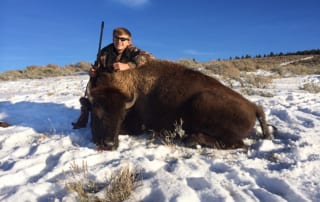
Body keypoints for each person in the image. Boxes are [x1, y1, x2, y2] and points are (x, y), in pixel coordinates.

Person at [72, 27, 154, 129]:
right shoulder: (104, 52)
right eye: (116, 38)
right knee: (93, 82)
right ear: (113, 39)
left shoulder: (133, 51)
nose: (119, 41)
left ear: (129, 41)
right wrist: (93, 72)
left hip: (127, 86)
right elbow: (98, 67)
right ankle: (85, 112)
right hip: (108, 82)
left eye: (123, 39)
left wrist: (128, 66)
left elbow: (149, 57)